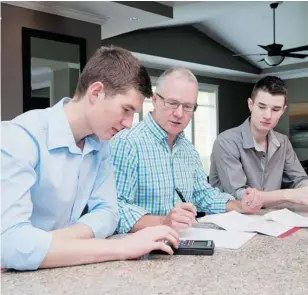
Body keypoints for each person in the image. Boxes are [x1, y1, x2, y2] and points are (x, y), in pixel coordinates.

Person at [1, 46, 180, 271]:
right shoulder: (18, 137)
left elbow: (108, 213)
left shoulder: (101, 144)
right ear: (96, 92)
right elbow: (9, 244)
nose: (129, 123)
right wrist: (123, 247)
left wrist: (54, 243)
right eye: (126, 109)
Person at [111, 68, 263, 234]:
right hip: (140, 252)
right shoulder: (127, 143)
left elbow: (202, 195)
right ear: (154, 100)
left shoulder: (188, 150)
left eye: (188, 106)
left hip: (184, 244)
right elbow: (114, 209)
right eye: (172, 103)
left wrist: (239, 205)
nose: (179, 113)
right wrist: (163, 221)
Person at [209, 75, 308, 206]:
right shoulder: (226, 141)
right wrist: (288, 195)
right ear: (251, 105)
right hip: (231, 221)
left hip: (271, 218)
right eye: (262, 107)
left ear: (283, 111)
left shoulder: (283, 142)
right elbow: (241, 196)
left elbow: (300, 180)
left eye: (275, 109)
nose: (267, 115)